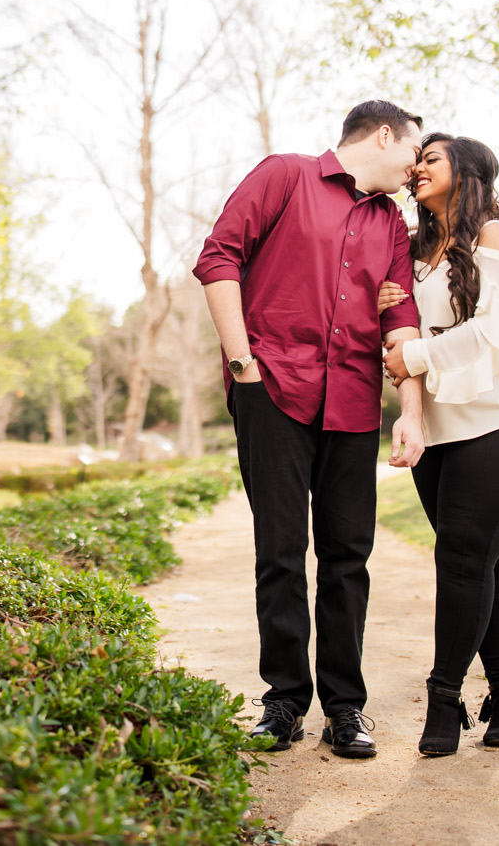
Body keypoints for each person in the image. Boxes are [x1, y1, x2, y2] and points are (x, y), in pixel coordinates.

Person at [193, 100, 428, 760]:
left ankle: (345, 708)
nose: (415, 166)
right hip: (273, 391)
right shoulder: (285, 175)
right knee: (281, 550)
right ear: (385, 134)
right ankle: (284, 702)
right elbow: (219, 258)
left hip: (353, 401)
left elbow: (401, 321)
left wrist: (409, 410)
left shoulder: (392, 225)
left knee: (349, 557)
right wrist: (243, 362)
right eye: (413, 149)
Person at [379, 133, 499, 756]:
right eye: (415, 159)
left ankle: (444, 699)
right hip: (446, 431)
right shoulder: (414, 252)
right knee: (484, 560)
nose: (417, 167)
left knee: (460, 560)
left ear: (470, 171)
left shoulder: (497, 237)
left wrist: (412, 351)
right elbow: (400, 340)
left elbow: (497, 334)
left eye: (432, 158)